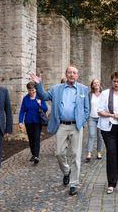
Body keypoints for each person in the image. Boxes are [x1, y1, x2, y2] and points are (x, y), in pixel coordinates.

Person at [30, 66, 89, 196]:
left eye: (74, 73)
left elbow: (86, 109)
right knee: (58, 153)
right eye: (69, 72)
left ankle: (73, 183)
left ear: (77, 75)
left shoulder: (83, 89)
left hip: (76, 126)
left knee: (76, 155)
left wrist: (83, 121)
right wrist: (38, 84)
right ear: (66, 74)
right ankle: (66, 171)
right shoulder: (57, 89)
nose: (72, 75)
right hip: (61, 125)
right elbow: (44, 96)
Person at [18, 82, 48, 164]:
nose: (31, 92)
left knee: (36, 137)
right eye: (29, 90)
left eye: (33, 90)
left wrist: (40, 104)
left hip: (38, 121)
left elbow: (45, 109)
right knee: (31, 139)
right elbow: (22, 111)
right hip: (28, 121)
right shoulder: (25, 98)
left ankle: (36, 156)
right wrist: (20, 121)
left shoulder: (40, 97)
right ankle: (33, 153)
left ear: (35, 90)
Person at [86, 79, 103, 162]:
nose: (96, 84)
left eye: (97, 82)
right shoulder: (89, 94)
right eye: (94, 83)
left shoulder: (103, 94)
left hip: (101, 118)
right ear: (92, 85)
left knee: (100, 136)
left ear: (99, 84)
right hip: (91, 117)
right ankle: (89, 153)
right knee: (91, 135)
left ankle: (99, 152)